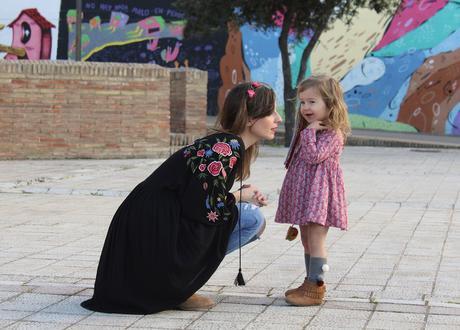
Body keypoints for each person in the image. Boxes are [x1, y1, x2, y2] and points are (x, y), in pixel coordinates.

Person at [81, 81, 282, 314]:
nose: (277, 119)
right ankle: (177, 287)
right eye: (271, 112)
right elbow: (206, 207)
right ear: (250, 117)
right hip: (154, 222)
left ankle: (177, 285)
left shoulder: (227, 144)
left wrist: (237, 195)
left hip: (156, 217)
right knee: (252, 219)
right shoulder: (226, 146)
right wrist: (240, 196)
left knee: (246, 218)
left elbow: (198, 196)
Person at [275, 75, 351, 306]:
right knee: (306, 239)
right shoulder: (311, 130)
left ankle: (316, 288)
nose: (306, 107)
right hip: (306, 194)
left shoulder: (332, 133)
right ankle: (309, 281)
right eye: (303, 102)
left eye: (312, 102)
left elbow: (313, 156)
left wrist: (308, 133)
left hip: (319, 196)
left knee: (316, 239)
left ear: (330, 103)